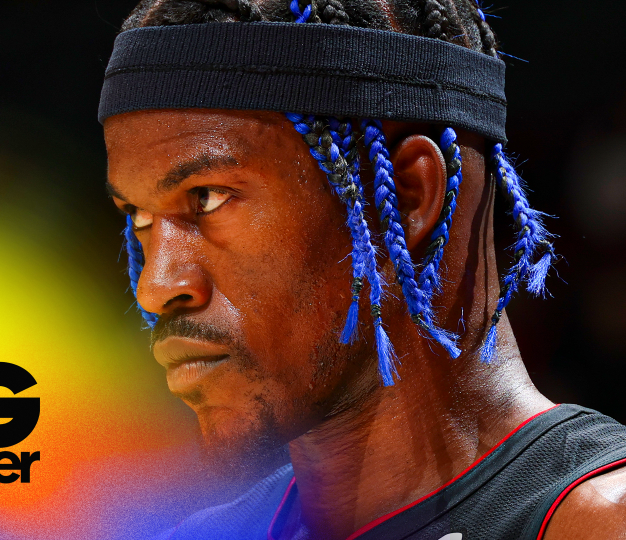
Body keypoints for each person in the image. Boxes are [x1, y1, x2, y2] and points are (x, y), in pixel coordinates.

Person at [98, 1, 626, 539]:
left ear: (406, 195)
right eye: (138, 216)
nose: (156, 286)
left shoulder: (598, 521)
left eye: (206, 199)